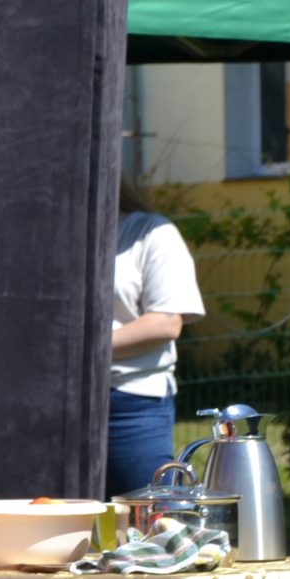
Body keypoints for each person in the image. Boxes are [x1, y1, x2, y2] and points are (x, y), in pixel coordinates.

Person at [107, 177, 207, 496]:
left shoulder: (151, 232)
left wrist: (79, 353)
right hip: (47, 402)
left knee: (147, 520)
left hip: (130, 404)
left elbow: (166, 323)